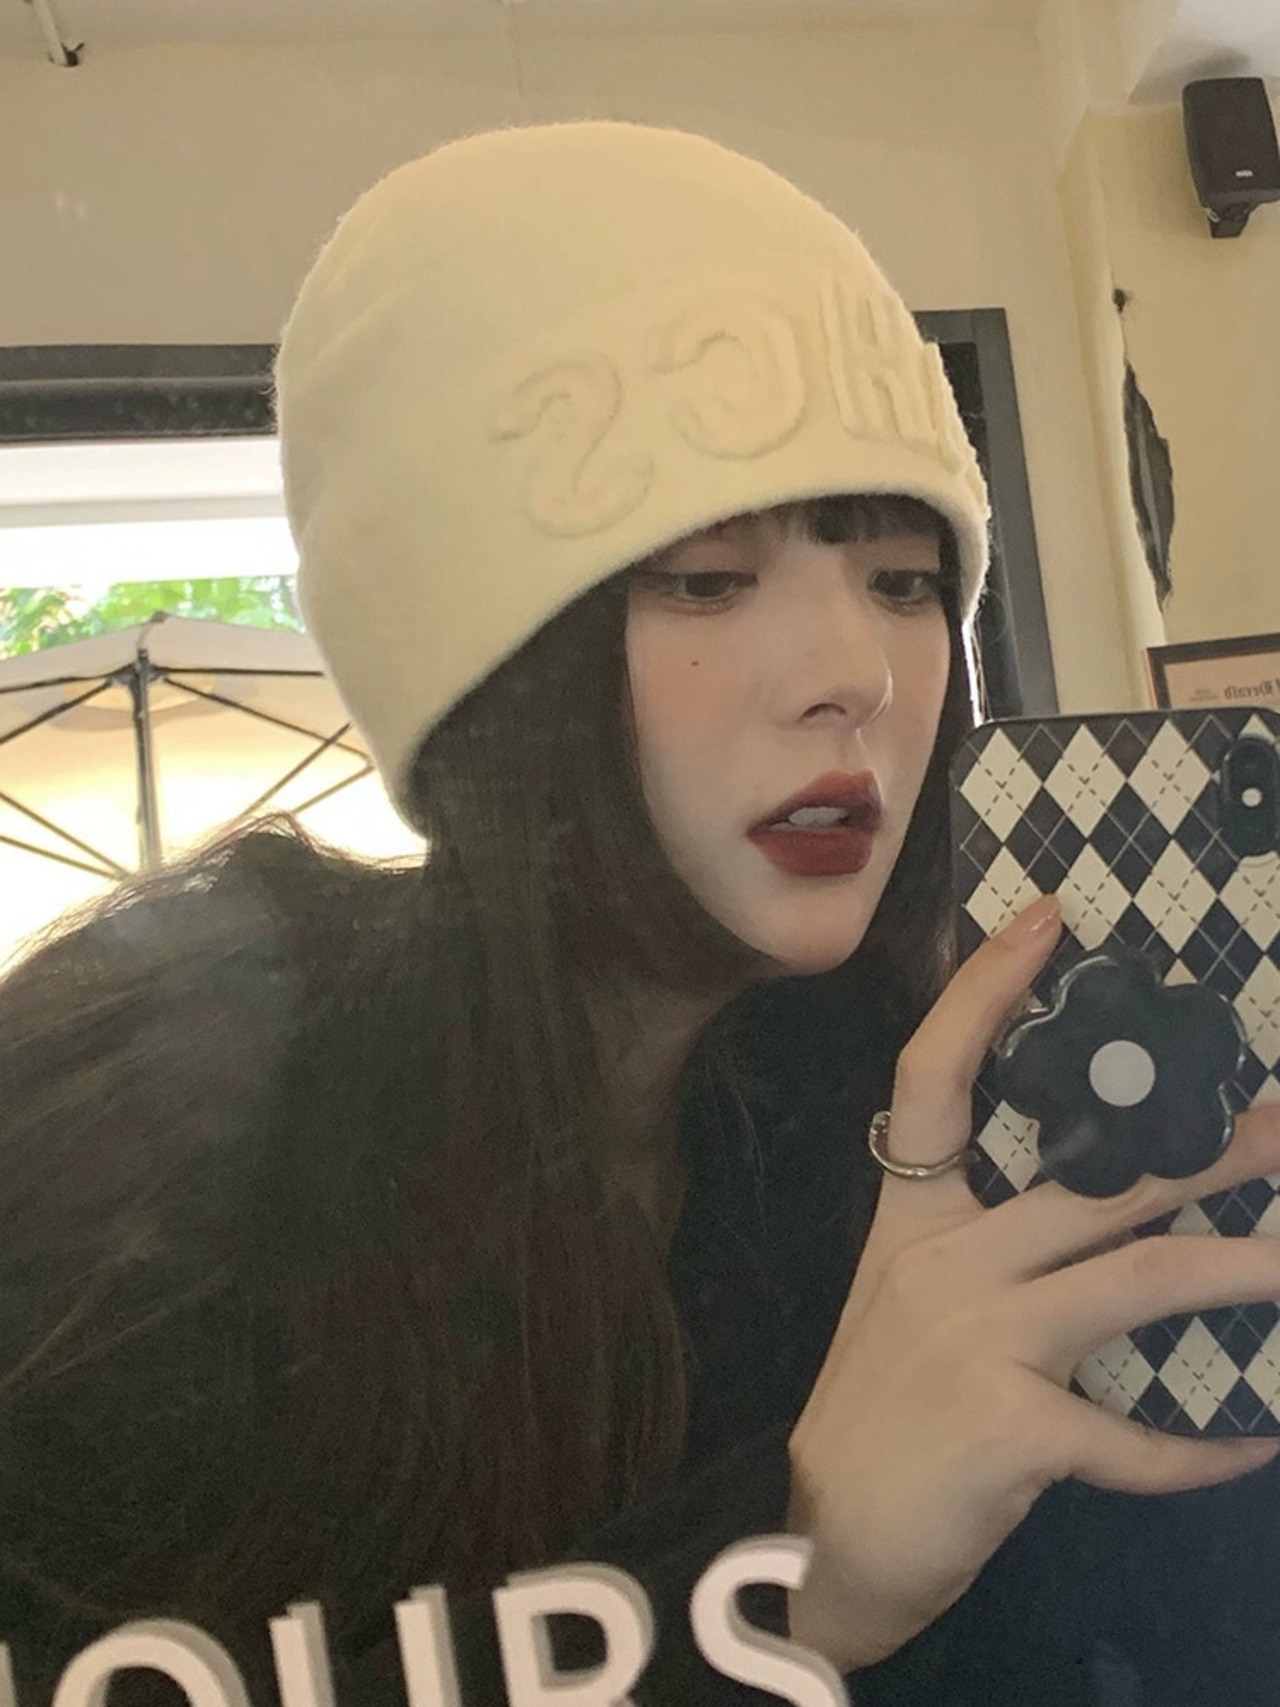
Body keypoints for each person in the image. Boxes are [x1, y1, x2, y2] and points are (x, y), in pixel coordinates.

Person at [2, 120, 1280, 1707]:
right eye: (704, 579)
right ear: (488, 669)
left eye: (902, 581)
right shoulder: (166, 1145)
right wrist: (784, 1586)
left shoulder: (932, 1100)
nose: (856, 675)